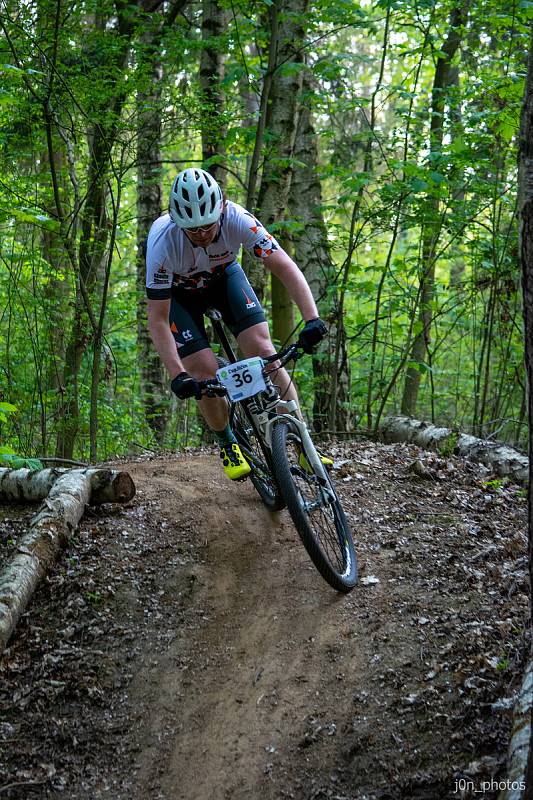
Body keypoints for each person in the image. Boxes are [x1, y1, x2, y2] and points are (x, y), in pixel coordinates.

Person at [145, 167, 328, 480]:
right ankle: (227, 441)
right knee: (203, 372)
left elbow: (285, 268)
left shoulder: (238, 220)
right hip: (179, 298)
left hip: (224, 280)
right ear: (178, 223)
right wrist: (178, 375)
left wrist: (312, 319)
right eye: (193, 229)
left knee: (263, 350)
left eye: (207, 225)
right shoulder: (163, 243)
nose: (202, 234)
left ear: (221, 209)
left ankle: (303, 446)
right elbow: (158, 319)